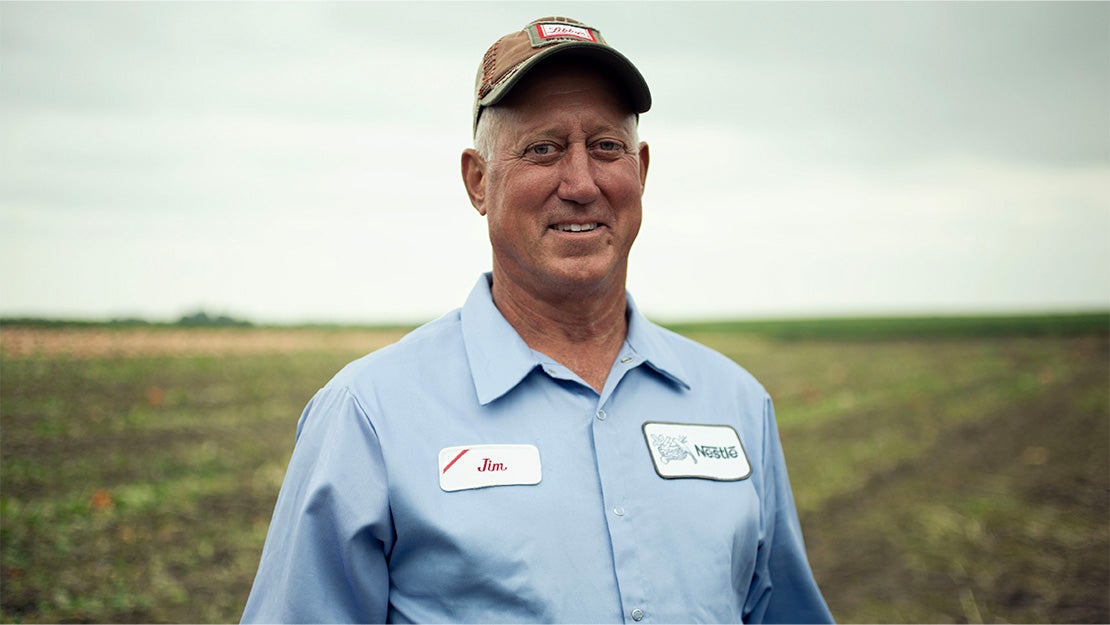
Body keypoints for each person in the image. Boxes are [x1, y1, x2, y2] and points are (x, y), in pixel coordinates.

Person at [241, 16, 833, 624]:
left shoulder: (735, 405)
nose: (580, 184)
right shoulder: (367, 418)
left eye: (606, 147)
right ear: (477, 181)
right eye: (543, 150)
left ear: (642, 172)